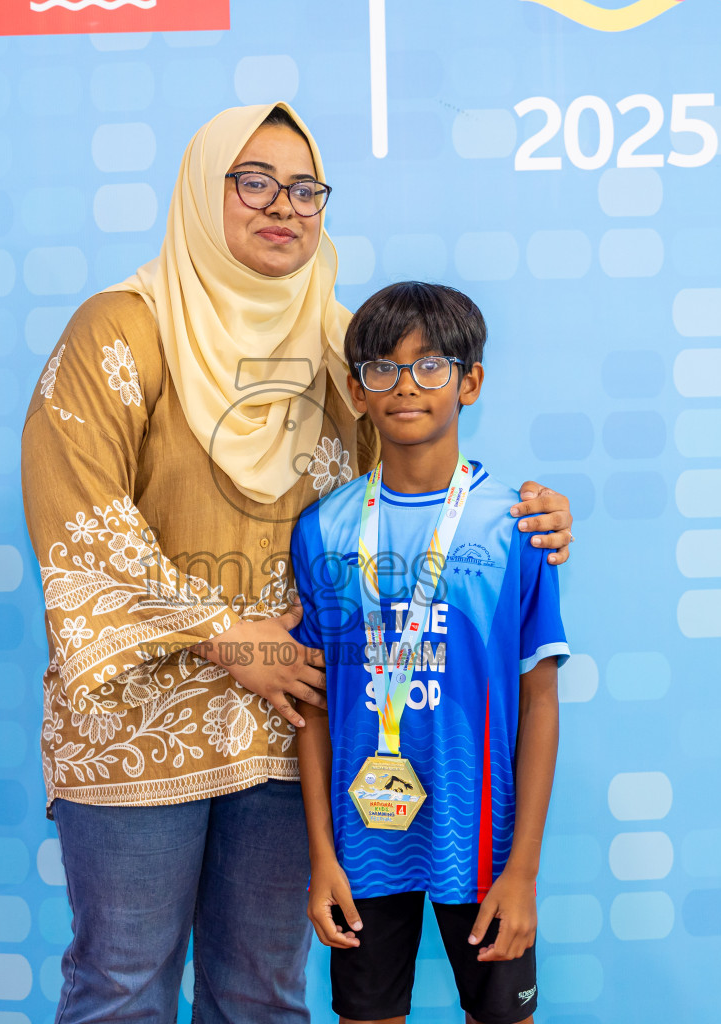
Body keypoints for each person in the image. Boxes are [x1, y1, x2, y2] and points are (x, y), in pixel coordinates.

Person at [20, 103, 574, 1023]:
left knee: (263, 993)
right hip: (142, 728)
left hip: (295, 731)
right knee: (123, 983)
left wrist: (530, 515)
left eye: (305, 188)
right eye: (254, 182)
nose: (283, 206)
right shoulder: (121, 330)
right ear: (202, 193)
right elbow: (77, 514)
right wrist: (227, 636)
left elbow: (407, 506)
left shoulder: (338, 345)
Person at [290, 282, 567, 1024]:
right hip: (363, 844)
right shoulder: (322, 529)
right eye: (382, 368)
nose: (406, 385)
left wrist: (524, 871)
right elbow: (311, 706)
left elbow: (540, 700)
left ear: (469, 383)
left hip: (482, 844)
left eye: (430, 366)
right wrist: (322, 856)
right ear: (357, 391)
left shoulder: (517, 527)